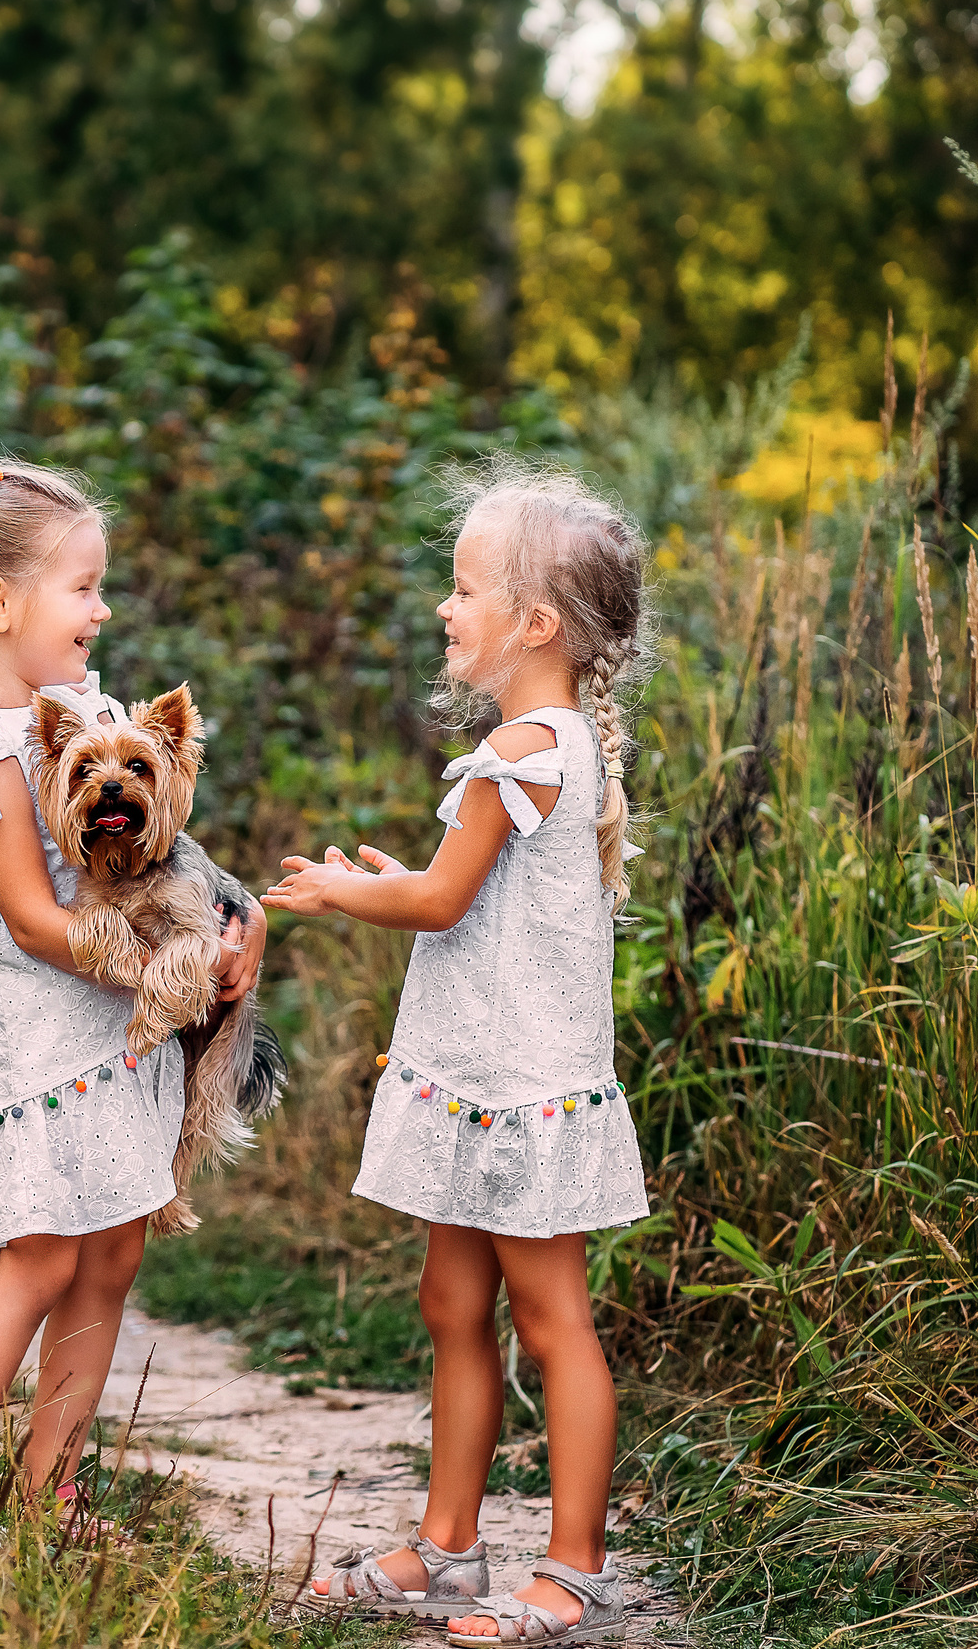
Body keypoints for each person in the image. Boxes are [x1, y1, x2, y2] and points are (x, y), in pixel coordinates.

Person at [263, 461, 650, 1646]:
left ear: (533, 624)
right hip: (478, 1086)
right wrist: (409, 887)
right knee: (452, 1304)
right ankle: (447, 1550)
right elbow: (460, 899)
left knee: (552, 1320)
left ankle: (574, 1568)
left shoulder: (525, 748)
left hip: (520, 1091)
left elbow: (438, 904)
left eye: (464, 588)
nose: (446, 607)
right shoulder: (545, 741)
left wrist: (341, 893)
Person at [0, 460, 265, 1508]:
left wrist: (239, 927)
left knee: (109, 1259)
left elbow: (167, 848)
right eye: (84, 586)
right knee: (38, 1266)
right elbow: (39, 924)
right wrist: (169, 978)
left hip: (115, 1035)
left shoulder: (74, 709)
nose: (102, 608)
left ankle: (50, 1492)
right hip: (45, 1038)